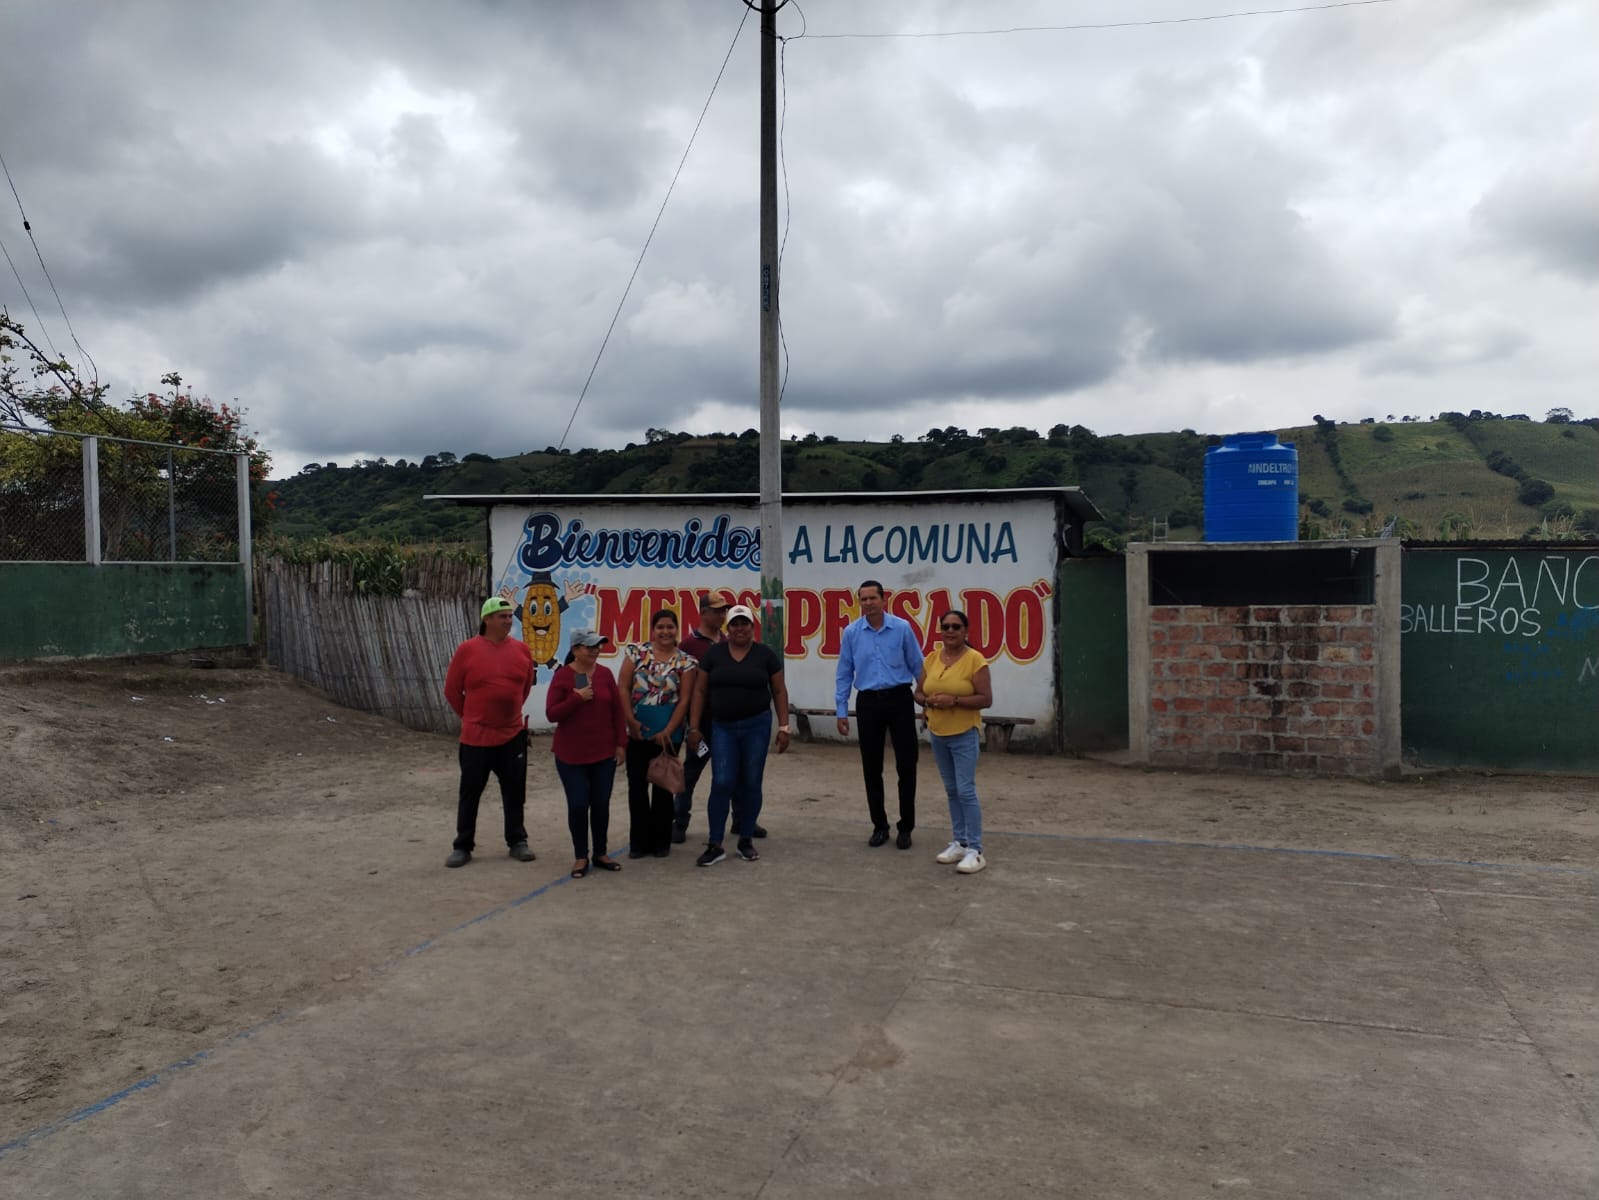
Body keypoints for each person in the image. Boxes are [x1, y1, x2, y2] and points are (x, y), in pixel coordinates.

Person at [685, 605, 790, 867]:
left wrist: (784, 726)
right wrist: (694, 727)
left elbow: (779, 690)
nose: (740, 629)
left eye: (745, 624)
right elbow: (700, 691)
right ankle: (715, 843)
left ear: (752, 627)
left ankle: (745, 839)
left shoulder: (765, 655)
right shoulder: (714, 654)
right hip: (723, 727)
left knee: (751, 781)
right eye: (735, 624)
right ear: (727, 628)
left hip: (757, 726)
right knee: (722, 782)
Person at [442, 595, 538, 868]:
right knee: (470, 792)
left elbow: (524, 688)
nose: (508, 621)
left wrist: (508, 713)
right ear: (487, 619)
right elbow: (452, 690)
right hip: (476, 738)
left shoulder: (521, 650)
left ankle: (517, 841)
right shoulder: (467, 650)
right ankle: (462, 845)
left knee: (515, 792)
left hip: (512, 736)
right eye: (502, 617)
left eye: (509, 616)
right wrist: (472, 717)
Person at [835, 579, 924, 849]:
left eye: (873, 598)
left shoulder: (902, 628)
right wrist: (841, 710)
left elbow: (918, 665)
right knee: (871, 767)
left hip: (899, 698)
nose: (868, 603)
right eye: (863, 599)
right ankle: (880, 826)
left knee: (906, 765)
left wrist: (926, 702)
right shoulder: (852, 633)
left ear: (884, 599)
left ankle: (906, 827)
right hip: (868, 702)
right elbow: (844, 672)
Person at [674, 588, 768, 843]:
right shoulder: (689, 645)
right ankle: (679, 820)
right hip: (702, 721)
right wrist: (690, 724)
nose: (722, 615)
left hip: (729, 720)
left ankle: (741, 819)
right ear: (704, 613)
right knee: (691, 772)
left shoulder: (729, 641)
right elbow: (686, 685)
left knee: (737, 774)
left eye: (724, 611)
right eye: (717, 611)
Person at [914, 608, 993, 874]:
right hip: (938, 733)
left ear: (965, 631)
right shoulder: (932, 658)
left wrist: (954, 700)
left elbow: (986, 698)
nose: (950, 631)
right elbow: (918, 692)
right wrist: (928, 700)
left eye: (956, 627)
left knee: (965, 790)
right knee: (951, 790)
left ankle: (976, 849)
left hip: (964, 733)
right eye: (945, 626)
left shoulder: (975, 660)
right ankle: (960, 842)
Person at [545, 629, 628, 879]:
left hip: (603, 753)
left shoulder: (605, 674)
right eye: (589, 646)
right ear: (576, 649)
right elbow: (552, 714)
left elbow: (617, 711)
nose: (595, 650)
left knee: (601, 804)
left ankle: (601, 853)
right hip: (571, 755)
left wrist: (621, 744)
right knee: (579, 804)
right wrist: (575, 698)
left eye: (597, 646)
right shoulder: (563, 676)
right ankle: (581, 855)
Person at [618, 609, 696, 858]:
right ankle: (639, 843)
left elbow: (685, 700)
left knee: (663, 787)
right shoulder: (636, 653)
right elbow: (623, 687)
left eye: (670, 627)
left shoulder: (686, 662)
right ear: (653, 629)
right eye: (660, 627)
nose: (665, 632)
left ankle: (661, 841)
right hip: (638, 732)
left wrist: (669, 730)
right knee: (637, 786)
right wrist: (630, 721)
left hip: (669, 734)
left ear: (677, 629)